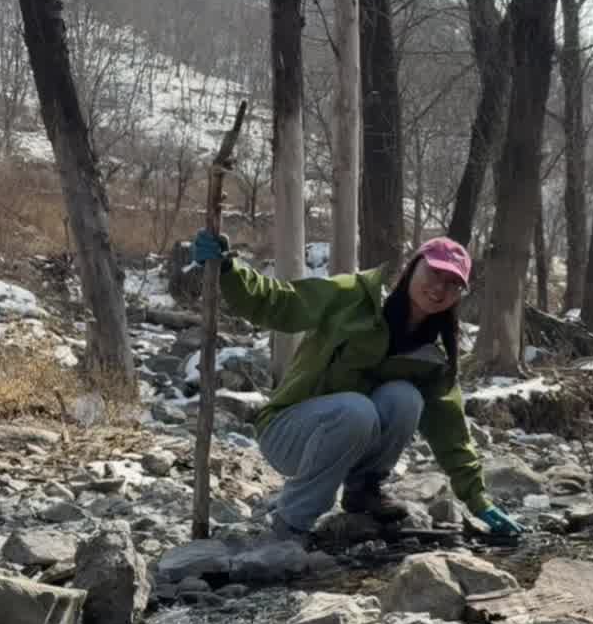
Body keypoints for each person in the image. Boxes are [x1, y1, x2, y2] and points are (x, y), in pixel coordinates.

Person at [188, 230, 521, 543]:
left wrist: (479, 502)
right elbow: (280, 304)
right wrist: (230, 270)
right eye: (434, 273)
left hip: (350, 435)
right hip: (288, 433)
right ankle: (291, 522)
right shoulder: (353, 295)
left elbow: (451, 431)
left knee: (405, 398)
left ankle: (363, 490)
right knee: (356, 409)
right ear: (413, 266)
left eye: (452, 284)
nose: (439, 288)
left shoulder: (433, 355)